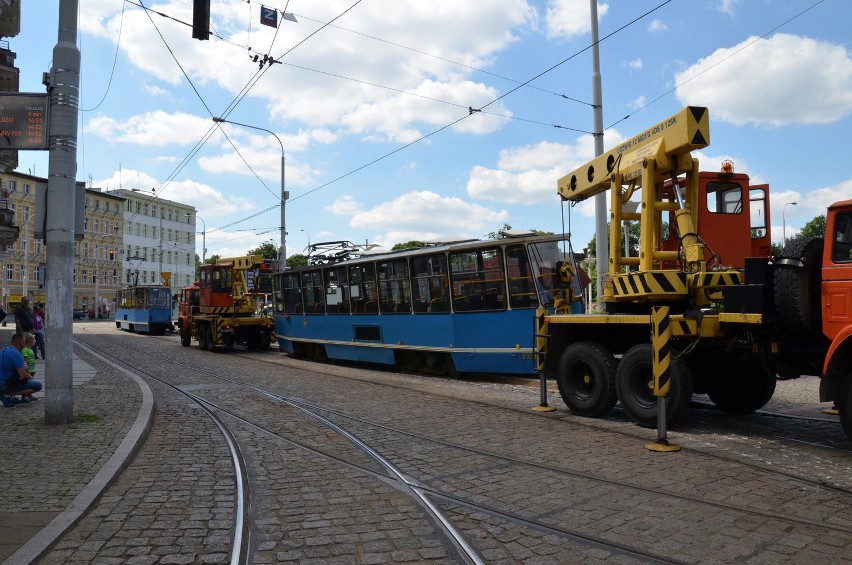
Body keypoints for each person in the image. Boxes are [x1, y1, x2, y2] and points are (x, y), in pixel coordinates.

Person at [1, 333, 43, 407]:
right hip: (5, 384)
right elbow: (23, 375)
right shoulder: (16, 354)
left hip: (3, 381)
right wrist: (31, 378)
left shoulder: (3, 350)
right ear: (22, 343)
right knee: (38, 385)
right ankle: (6, 395)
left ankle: (8, 396)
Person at [21, 333, 37, 402]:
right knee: (27, 383)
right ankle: (24, 396)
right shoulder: (25, 350)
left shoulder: (29, 349)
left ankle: (29, 395)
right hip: (28, 370)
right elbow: (25, 361)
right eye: (34, 340)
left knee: (30, 383)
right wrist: (27, 370)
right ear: (29, 342)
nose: (35, 341)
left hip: (32, 369)